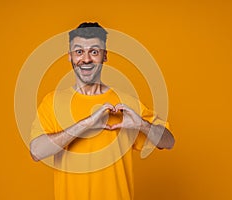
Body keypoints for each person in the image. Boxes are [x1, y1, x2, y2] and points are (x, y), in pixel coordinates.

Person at [30, 22, 175, 200]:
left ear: (104, 56)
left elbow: (168, 141)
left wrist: (141, 124)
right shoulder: (52, 101)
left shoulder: (126, 103)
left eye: (94, 51)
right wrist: (86, 124)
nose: (86, 59)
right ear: (70, 56)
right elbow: (36, 151)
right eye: (79, 52)